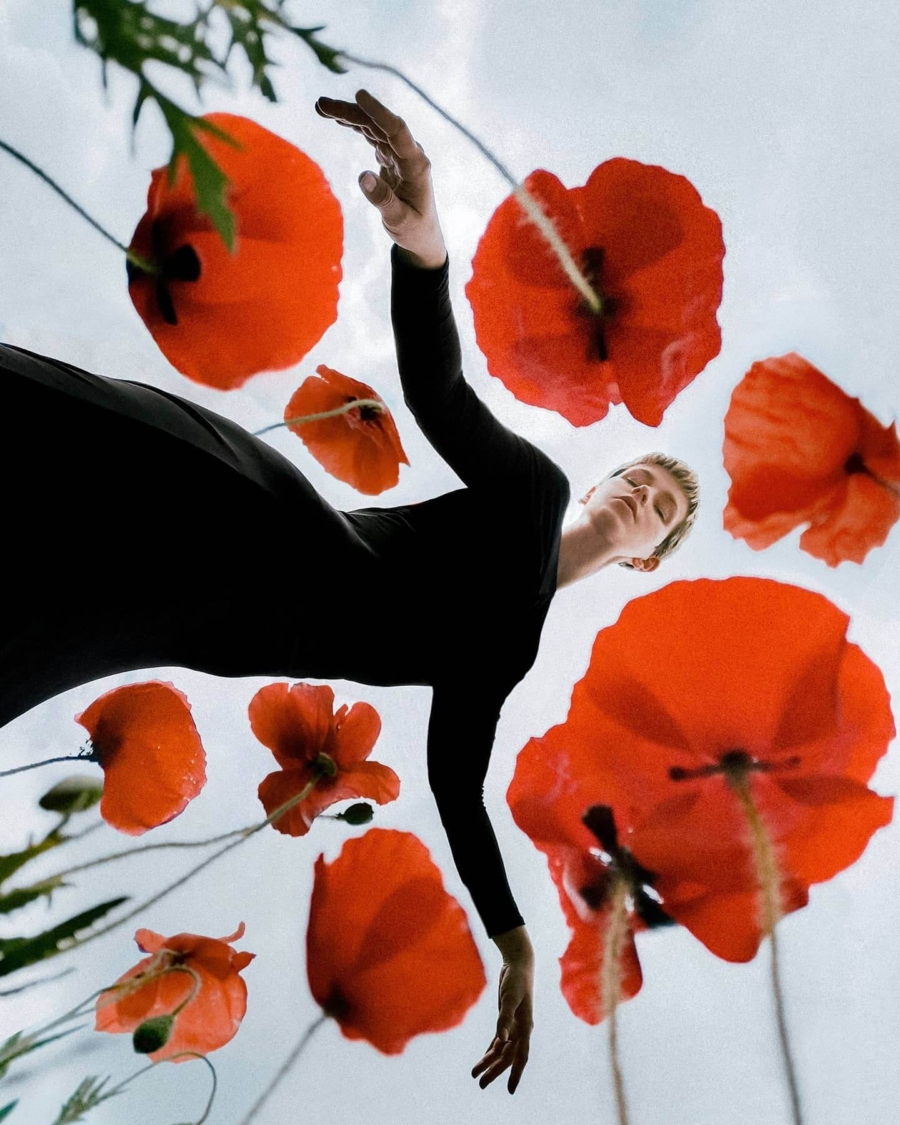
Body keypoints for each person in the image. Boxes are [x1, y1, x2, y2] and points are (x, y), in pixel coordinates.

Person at [0, 89, 697, 1094]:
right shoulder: (533, 493)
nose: (642, 493)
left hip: (199, 619)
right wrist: (423, 245)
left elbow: (458, 788)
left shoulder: (506, 654)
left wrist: (513, 942)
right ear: (598, 481)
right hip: (247, 513)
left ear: (650, 557)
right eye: (639, 475)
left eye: (661, 508)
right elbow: (439, 395)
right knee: (47, 429)